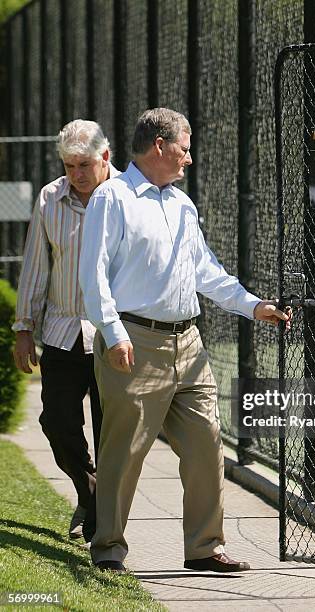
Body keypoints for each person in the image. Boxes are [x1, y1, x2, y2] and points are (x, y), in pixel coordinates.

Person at [79, 107, 290, 573]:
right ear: (160, 145)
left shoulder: (181, 205)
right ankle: (108, 548)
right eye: (185, 148)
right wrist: (113, 335)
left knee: (206, 441)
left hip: (188, 344)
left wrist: (253, 305)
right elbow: (92, 278)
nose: (188, 159)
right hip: (133, 344)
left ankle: (204, 547)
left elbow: (206, 272)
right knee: (124, 451)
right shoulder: (111, 199)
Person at [13, 119, 120, 540]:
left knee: (109, 430)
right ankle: (88, 491)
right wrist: (24, 328)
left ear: (105, 158)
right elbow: (37, 264)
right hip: (62, 331)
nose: (76, 174)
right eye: (69, 164)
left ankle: (103, 525)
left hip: (114, 335)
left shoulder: (126, 197)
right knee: (56, 423)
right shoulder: (50, 197)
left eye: (85, 164)